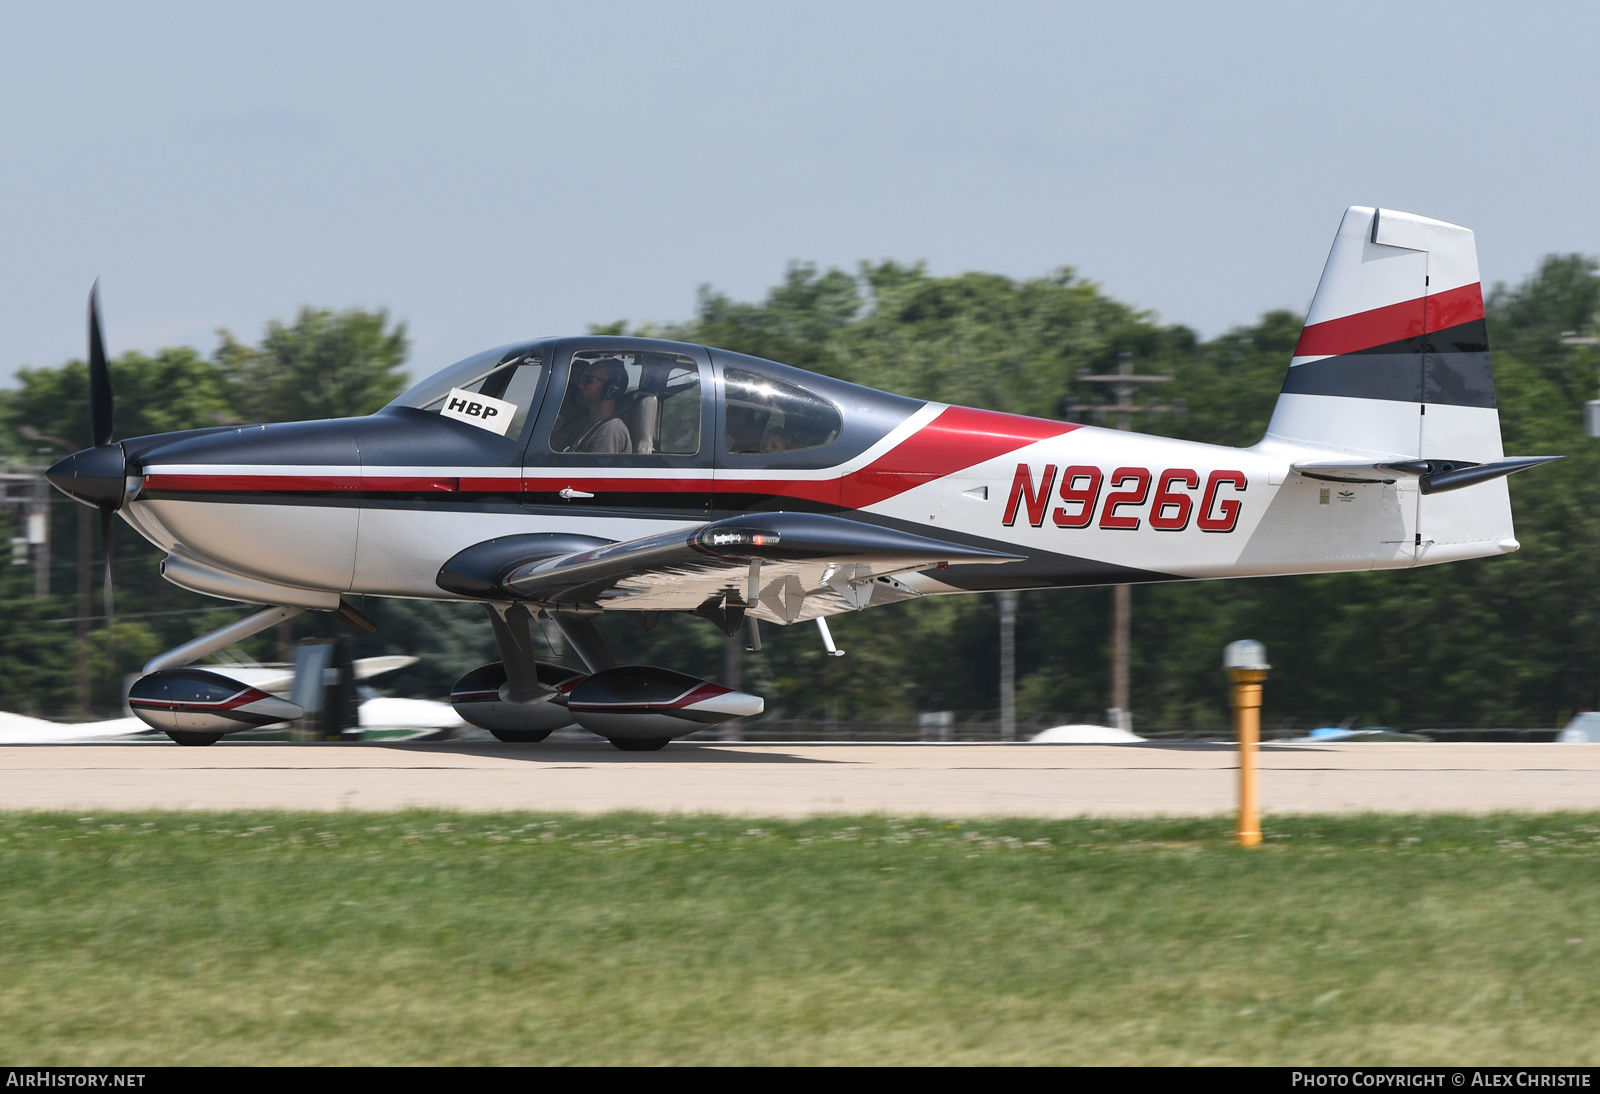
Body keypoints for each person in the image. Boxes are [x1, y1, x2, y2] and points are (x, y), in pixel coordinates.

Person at [561, 359, 632, 454]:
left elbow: (600, 468)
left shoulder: (609, 431)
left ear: (611, 389)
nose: (580, 385)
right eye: (581, 378)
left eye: (588, 380)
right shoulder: (587, 424)